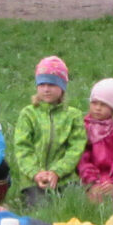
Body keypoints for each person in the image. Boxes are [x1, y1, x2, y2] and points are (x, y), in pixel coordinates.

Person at [12, 58, 85, 206]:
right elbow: (22, 147)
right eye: (42, 84)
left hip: (66, 178)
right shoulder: (28, 114)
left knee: (72, 206)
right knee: (40, 207)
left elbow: (76, 148)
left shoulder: (73, 116)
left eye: (51, 84)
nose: (46, 89)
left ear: (62, 87)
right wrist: (36, 173)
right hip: (33, 179)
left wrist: (57, 172)